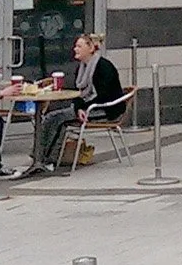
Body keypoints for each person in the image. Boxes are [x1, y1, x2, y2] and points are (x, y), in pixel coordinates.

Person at [28, 34, 122, 175]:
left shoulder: (104, 67)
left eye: (79, 46)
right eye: (75, 46)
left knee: (59, 119)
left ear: (90, 48)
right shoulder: (82, 68)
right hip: (87, 107)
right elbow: (79, 94)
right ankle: (38, 157)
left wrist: (83, 107)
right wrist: (79, 107)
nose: (75, 49)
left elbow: (104, 96)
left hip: (105, 109)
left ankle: (49, 160)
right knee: (50, 116)